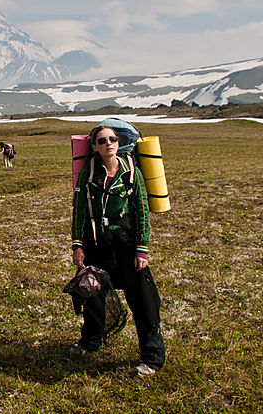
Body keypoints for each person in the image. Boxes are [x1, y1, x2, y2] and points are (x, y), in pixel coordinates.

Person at [69, 123, 165, 377]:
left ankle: (152, 357)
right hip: (96, 244)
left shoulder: (131, 172)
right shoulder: (88, 174)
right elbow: (79, 210)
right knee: (92, 295)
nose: (109, 143)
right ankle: (91, 342)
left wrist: (142, 250)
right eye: (102, 140)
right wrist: (77, 245)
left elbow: (143, 211)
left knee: (143, 301)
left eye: (113, 138)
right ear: (94, 146)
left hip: (126, 243)